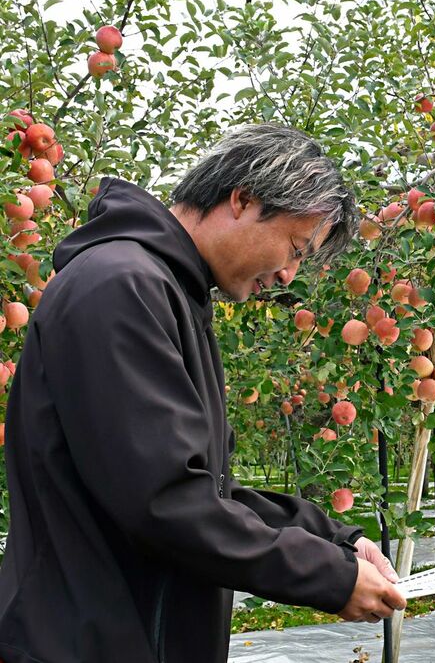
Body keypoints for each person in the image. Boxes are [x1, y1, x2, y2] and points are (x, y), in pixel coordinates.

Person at [0, 123, 406, 663]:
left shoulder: (170, 295)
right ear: (241, 199)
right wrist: (326, 577)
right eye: (294, 247)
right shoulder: (121, 287)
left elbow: (206, 490)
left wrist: (335, 542)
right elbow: (164, 502)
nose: (289, 275)